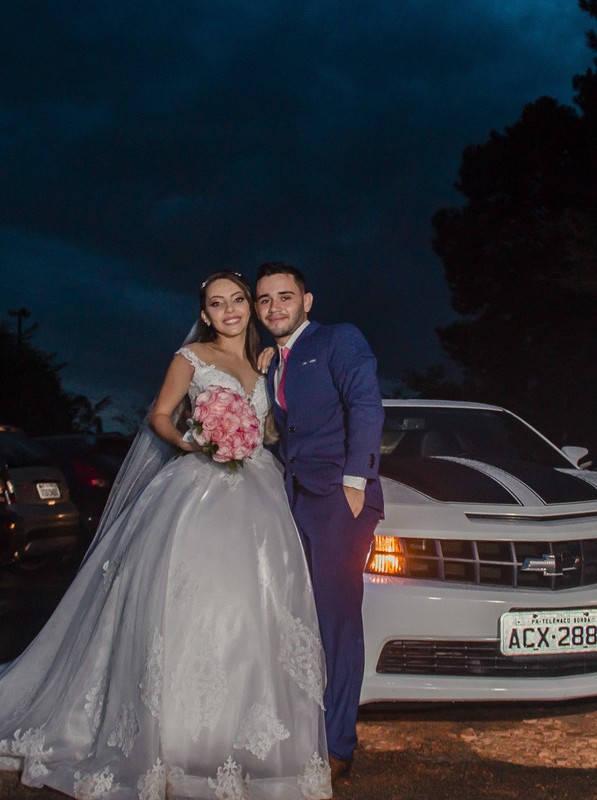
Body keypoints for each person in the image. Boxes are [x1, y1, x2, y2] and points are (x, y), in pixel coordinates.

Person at [0, 271, 332, 800]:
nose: (229, 310)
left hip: (258, 494)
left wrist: (250, 429)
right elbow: (160, 417)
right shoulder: (191, 359)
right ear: (204, 314)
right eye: (217, 303)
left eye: (237, 300)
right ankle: (171, 738)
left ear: (249, 307)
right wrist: (195, 442)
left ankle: (235, 737)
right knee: (187, 603)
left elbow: (272, 427)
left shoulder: (266, 362)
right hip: (198, 493)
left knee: (252, 608)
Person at [253, 262, 383, 782]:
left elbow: (366, 405)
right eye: (264, 299)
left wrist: (355, 483)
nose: (274, 307)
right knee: (301, 619)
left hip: (338, 499)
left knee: (337, 621)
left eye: (285, 296)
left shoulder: (338, 339)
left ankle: (339, 744)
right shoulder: (272, 361)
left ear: (306, 301)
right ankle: (307, 725)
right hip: (293, 500)